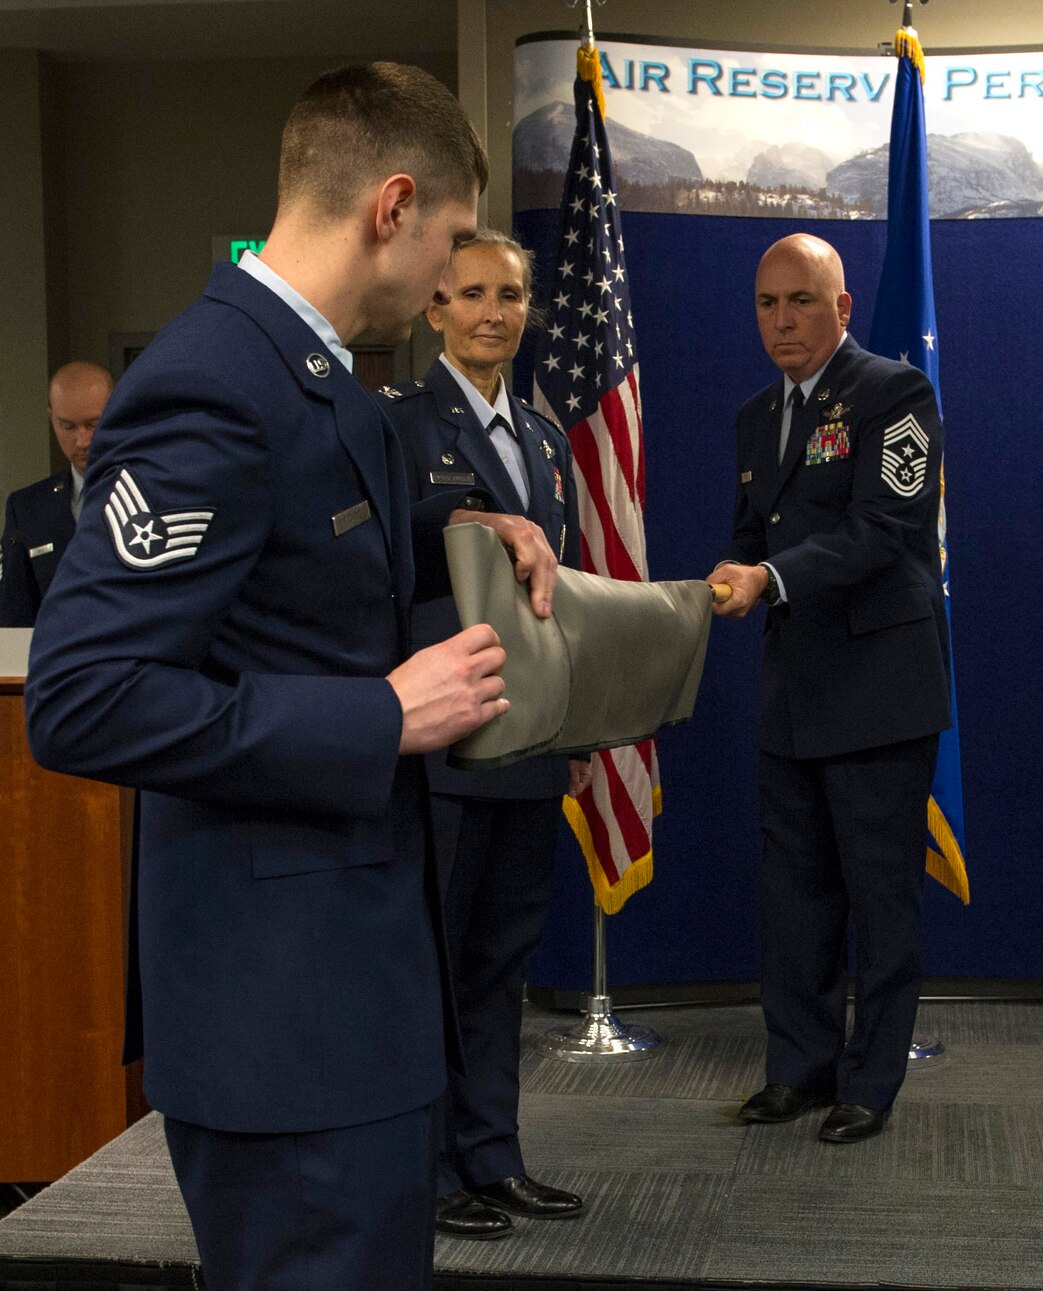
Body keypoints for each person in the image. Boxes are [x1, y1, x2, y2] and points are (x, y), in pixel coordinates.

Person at [24, 63, 559, 1291]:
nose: (446, 284)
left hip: (356, 1000)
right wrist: (377, 712)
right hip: (282, 1021)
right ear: (391, 205)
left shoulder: (328, 385)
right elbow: (86, 693)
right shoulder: (215, 378)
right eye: (445, 245)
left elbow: (299, 588)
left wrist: (462, 536)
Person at [710, 233, 951, 1144]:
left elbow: (883, 531)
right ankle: (799, 1068)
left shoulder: (895, 394)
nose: (783, 321)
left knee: (880, 898)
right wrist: (726, 577)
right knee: (797, 895)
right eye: (768, 304)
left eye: (801, 301)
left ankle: (871, 1080)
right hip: (793, 691)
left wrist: (766, 580)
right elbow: (749, 537)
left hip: (880, 691)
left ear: (842, 308)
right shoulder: (753, 416)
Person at [377, 229, 589, 1240]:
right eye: (470, 294)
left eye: (508, 294)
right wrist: (478, 518)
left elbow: (564, 596)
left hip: (530, 739)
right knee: (438, 960)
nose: (493, 311)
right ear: (434, 310)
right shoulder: (400, 430)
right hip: (448, 746)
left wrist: (578, 725)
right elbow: (396, 562)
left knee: (502, 961)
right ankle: (424, 1173)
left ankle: (493, 1156)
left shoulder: (546, 441)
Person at [0, 361, 111, 626]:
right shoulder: (27, 508)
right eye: (68, 427)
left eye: (93, 425)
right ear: (52, 418)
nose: (82, 441)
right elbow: (15, 617)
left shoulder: (154, 492)